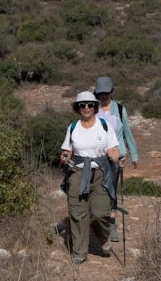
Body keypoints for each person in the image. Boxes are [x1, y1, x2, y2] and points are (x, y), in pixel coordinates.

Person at [60, 91, 126, 265]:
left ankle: (104, 238)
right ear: (78, 108)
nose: (87, 108)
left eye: (90, 104)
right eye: (83, 105)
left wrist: (118, 158)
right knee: (77, 213)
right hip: (78, 173)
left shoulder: (104, 126)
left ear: (95, 107)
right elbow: (68, 149)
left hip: (100, 173)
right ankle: (80, 252)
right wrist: (65, 156)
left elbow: (112, 149)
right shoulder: (73, 127)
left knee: (99, 213)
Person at [94, 76, 139, 242]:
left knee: (111, 191)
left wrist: (133, 154)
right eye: (101, 93)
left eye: (106, 93)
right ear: (97, 94)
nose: (104, 96)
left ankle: (111, 225)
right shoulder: (92, 109)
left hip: (116, 157)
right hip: (98, 157)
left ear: (111, 92)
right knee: (99, 190)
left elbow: (127, 132)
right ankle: (98, 223)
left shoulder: (120, 109)